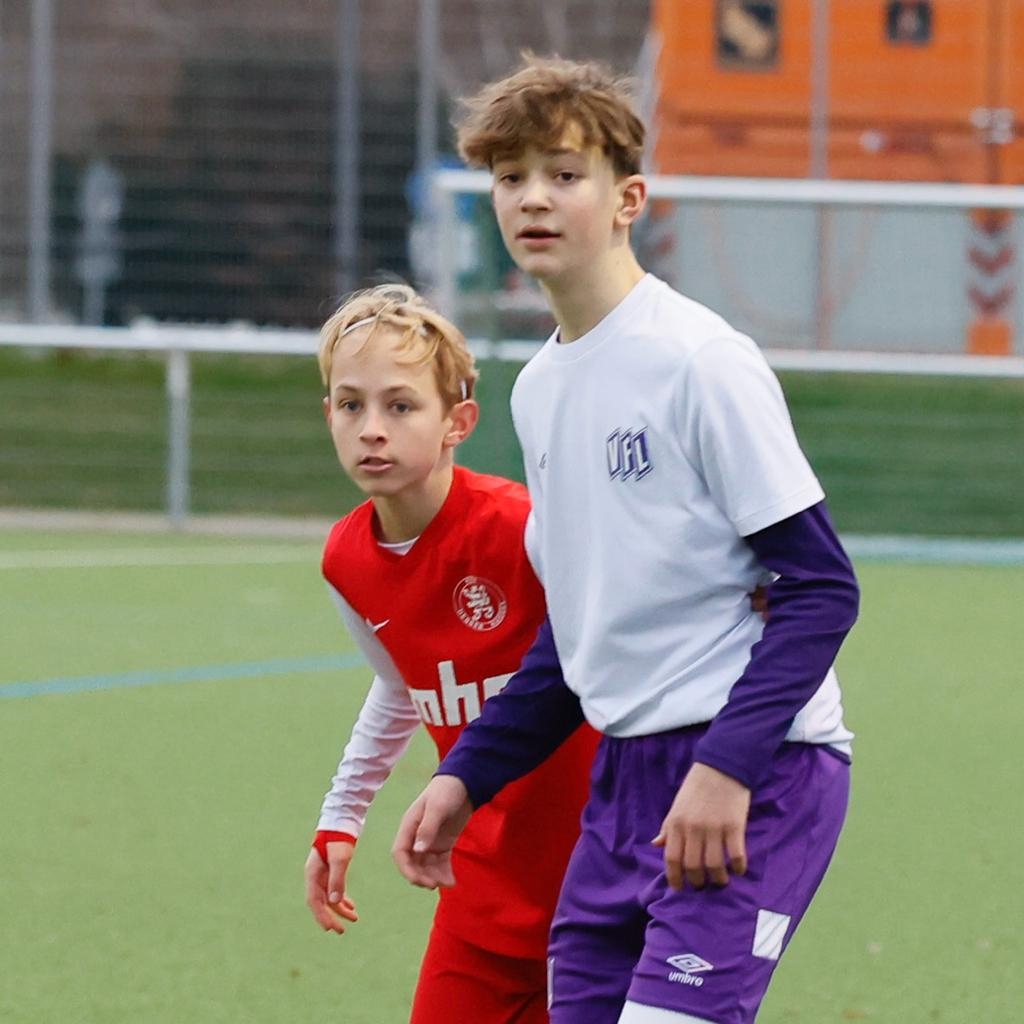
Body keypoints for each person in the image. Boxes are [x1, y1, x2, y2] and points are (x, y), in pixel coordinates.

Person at [392, 56, 861, 1024]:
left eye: (564, 174)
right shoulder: (540, 390)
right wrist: (466, 773)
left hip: (755, 769)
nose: (533, 197)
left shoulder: (698, 361)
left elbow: (820, 587)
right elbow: (577, 637)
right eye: (511, 177)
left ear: (626, 200)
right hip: (622, 784)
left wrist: (726, 768)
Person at [303, 283, 599, 1024]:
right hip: (478, 889)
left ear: (456, 423)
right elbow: (400, 685)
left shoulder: (523, 528)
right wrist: (342, 816)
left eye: (401, 406)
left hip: (598, 884)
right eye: (351, 405)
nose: (373, 429)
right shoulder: (345, 558)